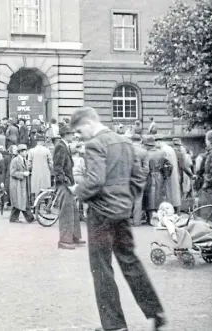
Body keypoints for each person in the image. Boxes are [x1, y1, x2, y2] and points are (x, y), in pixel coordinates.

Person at [69, 107, 166, 331]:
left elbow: (95, 181)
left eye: (79, 131)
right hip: (122, 213)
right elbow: (138, 177)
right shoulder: (124, 142)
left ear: (88, 124)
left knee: (102, 269)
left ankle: (114, 325)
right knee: (130, 261)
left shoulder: (94, 144)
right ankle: (155, 311)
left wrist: (78, 191)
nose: (78, 136)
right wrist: (127, 200)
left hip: (101, 215)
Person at [53, 125, 83, 250]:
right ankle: (65, 240)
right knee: (66, 212)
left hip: (68, 183)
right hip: (64, 184)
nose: (73, 135)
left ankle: (74, 236)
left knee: (73, 210)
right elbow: (58, 167)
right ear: (66, 134)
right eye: (71, 133)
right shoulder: (61, 147)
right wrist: (65, 181)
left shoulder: (64, 146)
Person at [8, 144, 34, 223]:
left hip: (22, 184)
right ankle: (29, 218)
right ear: (21, 152)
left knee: (21, 201)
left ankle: (27, 218)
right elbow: (12, 173)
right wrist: (23, 174)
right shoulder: (15, 160)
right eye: (25, 151)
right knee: (19, 201)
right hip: (17, 184)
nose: (26, 152)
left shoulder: (23, 160)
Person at [130, 134, 149, 226]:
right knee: (138, 199)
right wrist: (142, 178)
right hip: (138, 179)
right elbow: (146, 169)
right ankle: (136, 221)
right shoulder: (144, 152)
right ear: (140, 140)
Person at [28, 133, 52, 202]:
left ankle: (35, 204)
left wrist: (29, 170)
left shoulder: (31, 151)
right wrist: (50, 168)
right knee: (46, 188)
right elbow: (50, 162)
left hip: (35, 172)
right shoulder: (47, 150)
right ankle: (47, 204)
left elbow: (29, 163)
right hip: (45, 172)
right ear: (42, 141)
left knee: (35, 188)